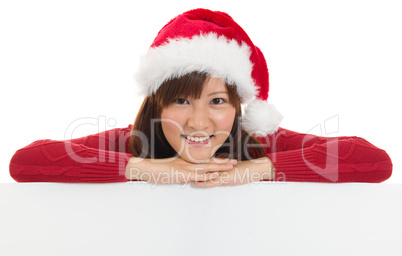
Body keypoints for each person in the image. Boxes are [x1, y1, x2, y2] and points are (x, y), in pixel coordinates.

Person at [9, 8, 393, 186]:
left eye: (217, 101)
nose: (197, 122)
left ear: (239, 108)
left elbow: (374, 162)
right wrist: (149, 168)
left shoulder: (259, 143)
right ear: (157, 105)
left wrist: (251, 171)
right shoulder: (134, 141)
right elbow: (24, 163)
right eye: (181, 101)